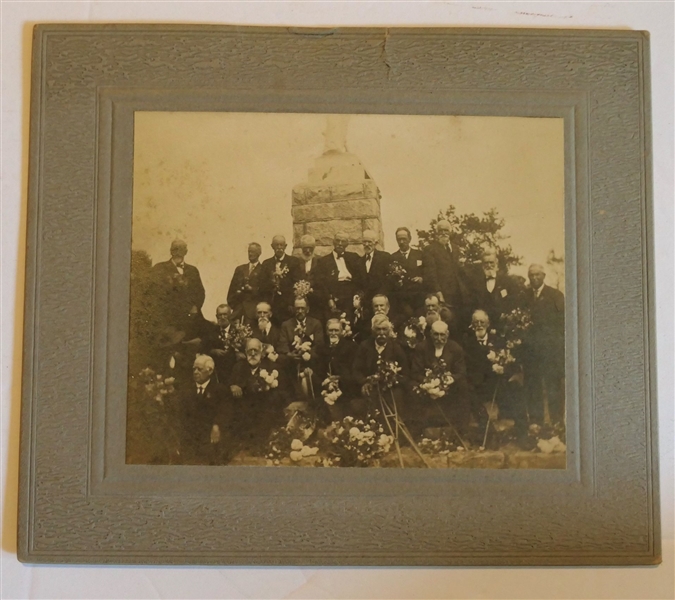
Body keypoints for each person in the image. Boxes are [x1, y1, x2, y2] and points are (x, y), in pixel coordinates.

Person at [411, 320, 471, 439]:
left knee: (463, 386)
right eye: (436, 334)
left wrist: (449, 379)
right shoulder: (421, 347)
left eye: (442, 334)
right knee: (412, 388)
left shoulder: (456, 348)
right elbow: (415, 372)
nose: (439, 338)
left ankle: (461, 430)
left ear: (447, 334)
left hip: (449, 386)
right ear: (431, 334)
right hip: (427, 385)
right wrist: (428, 382)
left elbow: (461, 372)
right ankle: (417, 430)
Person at [228, 338, 289, 453]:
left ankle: (259, 443)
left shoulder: (273, 368)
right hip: (244, 409)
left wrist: (268, 390)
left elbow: (283, 393)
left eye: (255, 350)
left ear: (262, 352)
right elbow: (230, 386)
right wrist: (232, 386)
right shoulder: (238, 367)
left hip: (265, 408)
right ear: (245, 352)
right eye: (249, 351)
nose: (252, 354)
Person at [523, 264, 565, 425]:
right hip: (531, 352)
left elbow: (562, 324)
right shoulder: (524, 296)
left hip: (550, 351)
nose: (534, 278)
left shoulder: (555, 296)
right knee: (533, 387)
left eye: (537, 275)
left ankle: (557, 423)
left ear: (544, 276)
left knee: (553, 387)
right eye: (531, 275)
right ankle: (536, 422)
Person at [177, 354, 232, 465]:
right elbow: (180, 415)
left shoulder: (220, 390)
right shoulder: (186, 390)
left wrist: (216, 425)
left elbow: (225, 411)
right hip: (189, 438)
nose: (196, 372)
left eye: (200, 369)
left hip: (210, 437)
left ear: (210, 371)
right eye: (194, 369)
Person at [352, 314, 410, 415]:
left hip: (391, 388)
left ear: (389, 331)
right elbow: (356, 370)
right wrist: (364, 382)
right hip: (370, 385)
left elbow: (405, 373)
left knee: (396, 399)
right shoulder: (364, 346)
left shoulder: (396, 348)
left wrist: (393, 381)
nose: (381, 333)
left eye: (384, 329)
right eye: (378, 330)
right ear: (373, 331)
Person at [149, 239, 206, 333]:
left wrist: (196, 307)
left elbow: (200, 292)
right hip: (169, 318)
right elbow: (154, 293)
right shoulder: (159, 268)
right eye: (175, 249)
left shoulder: (193, 270)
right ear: (171, 251)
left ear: (186, 252)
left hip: (190, 317)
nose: (178, 252)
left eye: (181, 249)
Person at [278, 297, 324, 399]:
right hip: (292, 362)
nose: (300, 311)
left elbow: (319, 344)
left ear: (307, 309)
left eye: (302, 308)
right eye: (297, 308)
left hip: (311, 361)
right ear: (293, 309)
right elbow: (282, 344)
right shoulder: (286, 325)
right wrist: (290, 354)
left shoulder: (316, 324)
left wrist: (309, 353)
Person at [314, 231, 365, 320]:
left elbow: (360, 278)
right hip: (334, 293)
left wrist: (358, 295)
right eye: (338, 241)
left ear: (347, 244)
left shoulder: (354, 258)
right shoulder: (323, 261)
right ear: (333, 242)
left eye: (343, 241)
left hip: (351, 293)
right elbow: (321, 283)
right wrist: (329, 299)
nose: (340, 244)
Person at [317, 318, 360, 421]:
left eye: (336, 330)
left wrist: (339, 379)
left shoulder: (351, 347)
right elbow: (319, 370)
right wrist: (326, 383)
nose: (333, 333)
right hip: (326, 386)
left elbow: (354, 370)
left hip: (346, 387)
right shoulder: (322, 348)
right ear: (326, 332)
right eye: (330, 330)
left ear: (341, 332)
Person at [465, 248, 520, 325]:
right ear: (482, 265)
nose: (489, 265)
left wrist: (506, 315)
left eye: (491, 262)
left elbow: (513, 301)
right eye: (486, 263)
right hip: (482, 325)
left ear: (496, 263)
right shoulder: (475, 283)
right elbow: (471, 305)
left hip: (502, 324)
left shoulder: (507, 281)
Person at [422, 220, 467, 312]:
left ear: (450, 232)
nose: (443, 233)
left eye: (446, 230)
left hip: (458, 294)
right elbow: (431, 274)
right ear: (436, 233)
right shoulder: (430, 249)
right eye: (440, 230)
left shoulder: (456, 248)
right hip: (442, 293)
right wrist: (438, 292)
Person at [259, 235, 303, 324]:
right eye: (276, 245)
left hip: (287, 305)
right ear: (272, 246)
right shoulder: (266, 263)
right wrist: (272, 283)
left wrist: (291, 303)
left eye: (281, 245)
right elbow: (262, 284)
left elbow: (297, 283)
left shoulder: (293, 261)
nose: (279, 248)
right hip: (271, 305)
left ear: (285, 246)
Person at [389, 226, 425, 317]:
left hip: (419, 299)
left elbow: (427, 272)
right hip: (401, 300)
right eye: (399, 239)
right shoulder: (392, 258)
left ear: (409, 239)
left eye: (404, 239)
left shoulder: (420, 255)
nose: (401, 242)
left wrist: (422, 278)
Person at [201, 304, 241, 384]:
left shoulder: (238, 331)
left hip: (235, 369)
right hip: (217, 370)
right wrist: (213, 351)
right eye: (220, 315)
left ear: (230, 315)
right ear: (216, 316)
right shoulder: (211, 331)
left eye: (225, 314)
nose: (222, 317)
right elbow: (203, 347)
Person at [227, 242, 263, 324]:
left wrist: (252, 289)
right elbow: (231, 290)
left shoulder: (263, 270)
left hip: (253, 312)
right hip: (238, 310)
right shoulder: (240, 269)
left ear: (259, 253)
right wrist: (235, 306)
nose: (250, 254)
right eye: (249, 251)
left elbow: (264, 292)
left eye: (253, 252)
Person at [361, 229, 391, 305]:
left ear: (375, 243)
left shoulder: (385, 257)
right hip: (365, 303)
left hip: (381, 302)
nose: (367, 244)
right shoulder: (359, 261)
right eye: (364, 242)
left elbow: (389, 280)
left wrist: (381, 296)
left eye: (369, 242)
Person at [296, 234, 322, 319]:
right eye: (305, 248)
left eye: (310, 248)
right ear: (301, 248)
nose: (307, 251)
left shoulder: (320, 261)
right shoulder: (295, 262)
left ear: (314, 248)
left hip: (316, 300)